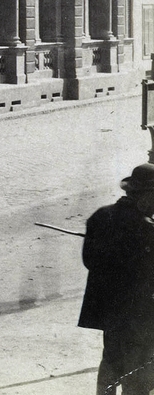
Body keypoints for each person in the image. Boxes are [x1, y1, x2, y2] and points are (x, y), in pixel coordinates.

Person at [81, 163, 154, 394]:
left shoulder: (100, 217)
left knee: (111, 359)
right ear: (145, 196)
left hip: (108, 310)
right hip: (139, 313)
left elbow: (89, 261)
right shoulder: (147, 229)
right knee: (139, 369)